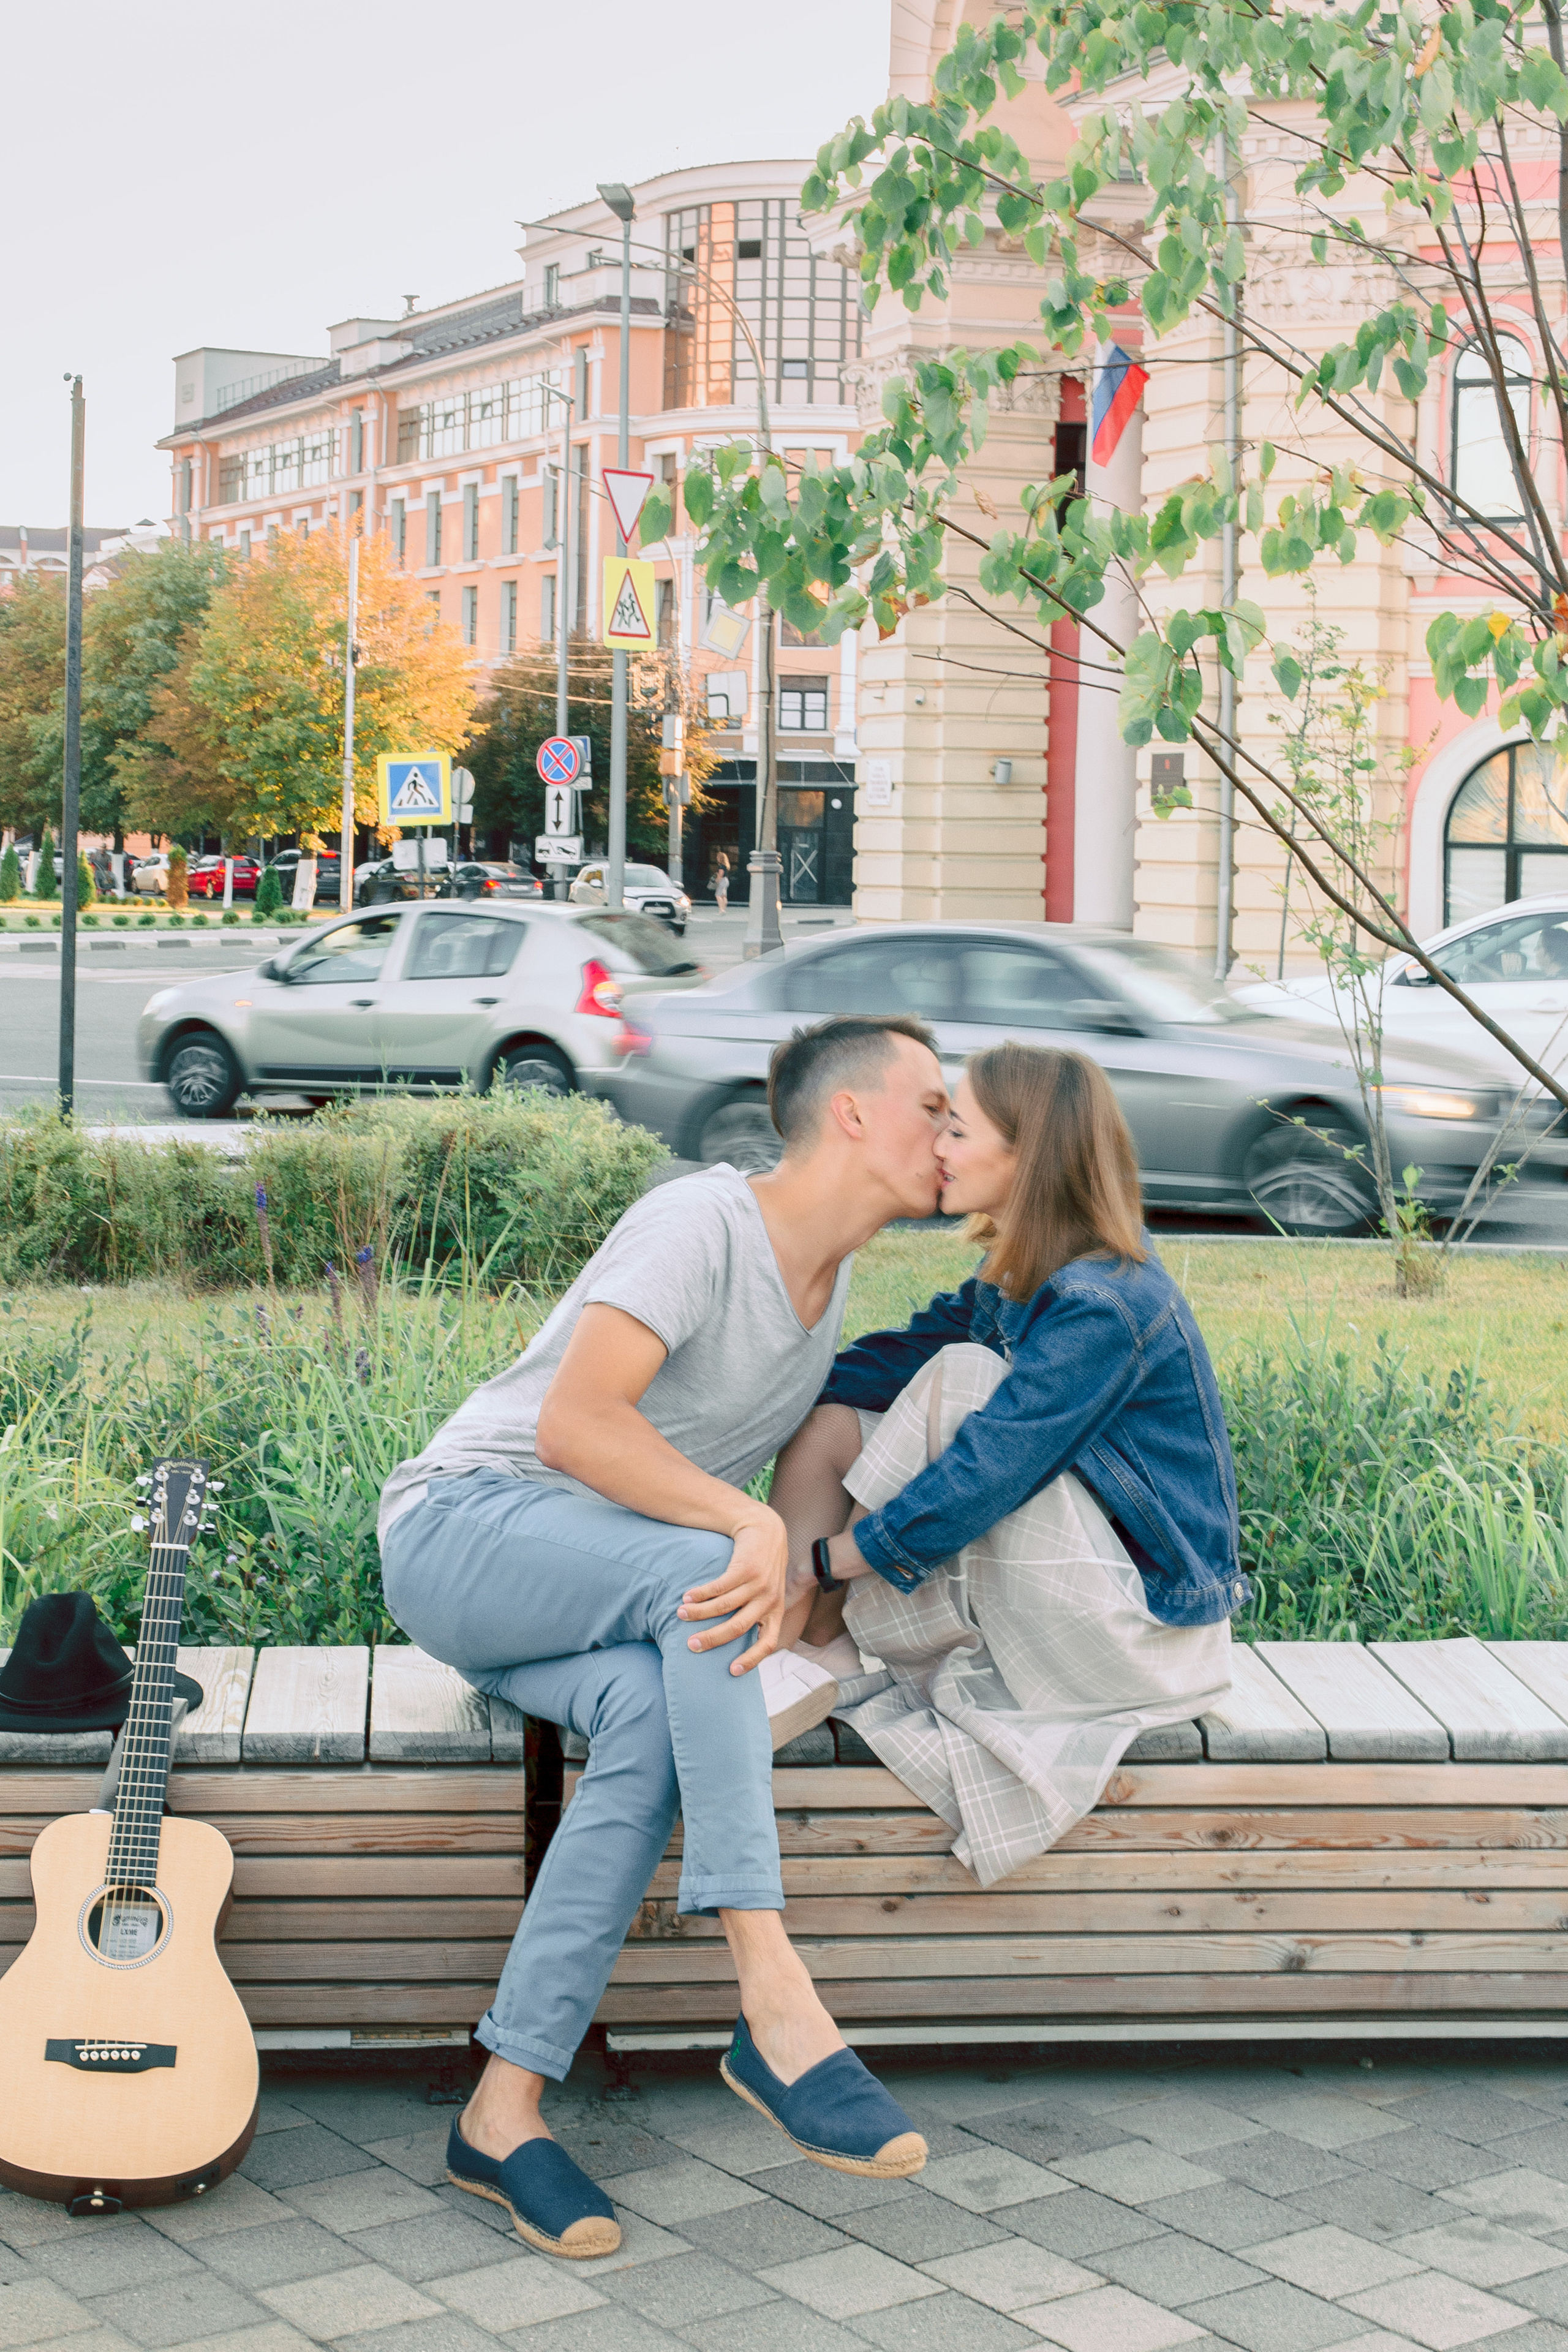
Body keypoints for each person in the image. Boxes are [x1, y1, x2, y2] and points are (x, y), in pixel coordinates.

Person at [377, 1016, 947, 2259]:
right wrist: (736, 1527)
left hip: (588, 1598)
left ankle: (501, 2107)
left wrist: (794, 1584)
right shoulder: (704, 1222)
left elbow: (763, 1554)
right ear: (850, 1112)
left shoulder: (831, 1278)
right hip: (465, 1532)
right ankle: (771, 1989)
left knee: (651, 1708)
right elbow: (578, 1429)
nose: (947, 1131)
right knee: (700, 1571)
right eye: (931, 1105)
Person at [769, 1042, 1243, 1888]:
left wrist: (826, 1561)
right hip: (1075, 1598)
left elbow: (993, 1468)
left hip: (1149, 1639)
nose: (938, 1148)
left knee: (964, 1381)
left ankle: (810, 1605)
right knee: (833, 1417)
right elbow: (879, 1365)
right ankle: (806, 1647)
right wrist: (758, 1400)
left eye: (956, 1128)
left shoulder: (1107, 1302)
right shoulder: (1022, 1279)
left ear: (1029, 1155)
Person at [713, 849, 730, 914]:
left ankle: (721, 910)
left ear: (720, 858)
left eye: (718, 857)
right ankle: (724, 909)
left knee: (718, 895)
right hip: (726, 880)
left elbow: (721, 874)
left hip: (722, 881)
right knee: (724, 896)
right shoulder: (726, 865)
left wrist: (717, 881)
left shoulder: (721, 866)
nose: (717, 858)